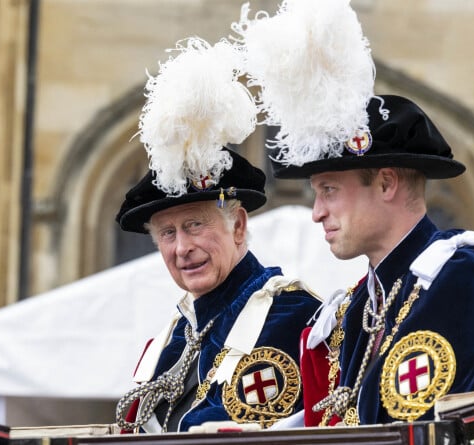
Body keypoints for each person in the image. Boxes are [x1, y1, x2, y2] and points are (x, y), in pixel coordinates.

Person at [270, 94, 474, 426]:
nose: (318, 212)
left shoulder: (464, 279)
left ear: (386, 183)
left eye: (329, 190)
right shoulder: (361, 304)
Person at [113, 37, 320, 433]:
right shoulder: (175, 335)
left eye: (194, 225)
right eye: (168, 233)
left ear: (238, 226)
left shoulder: (292, 315)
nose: (182, 248)